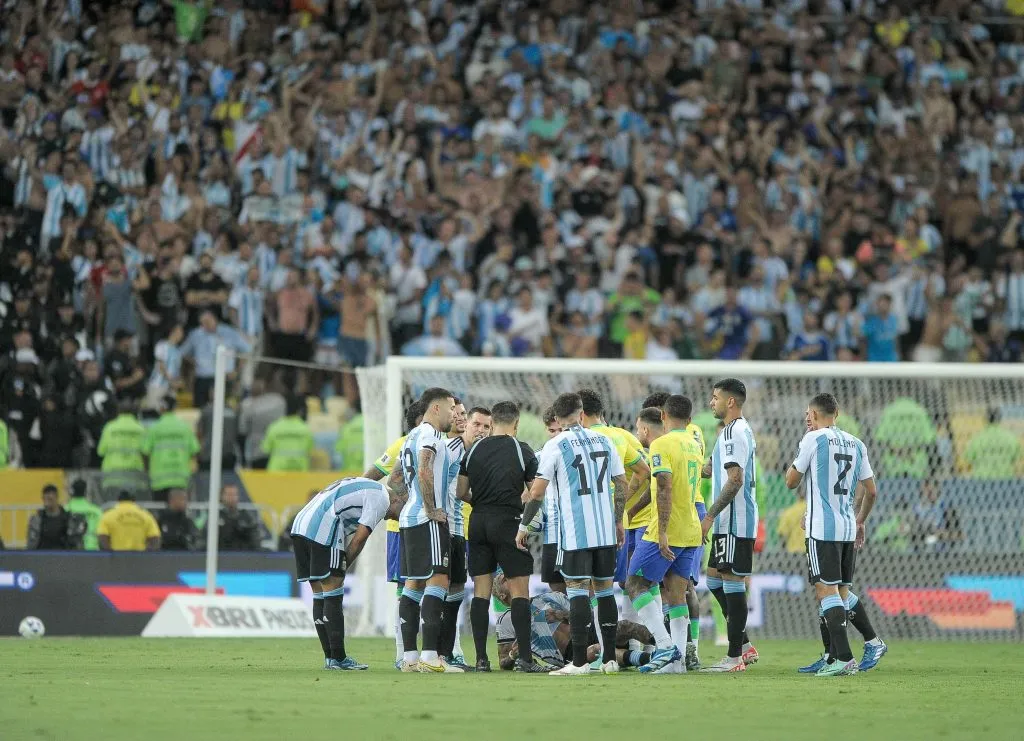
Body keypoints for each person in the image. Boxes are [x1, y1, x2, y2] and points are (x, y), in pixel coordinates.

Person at [516, 392, 627, 676]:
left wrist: (524, 525)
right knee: (604, 592)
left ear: (556, 418)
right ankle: (610, 660)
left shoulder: (556, 444)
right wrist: (617, 522)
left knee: (577, 590)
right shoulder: (605, 440)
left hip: (576, 533)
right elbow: (622, 483)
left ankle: (579, 662)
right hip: (604, 532)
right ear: (581, 414)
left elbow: (537, 492)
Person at [786, 392, 884, 676]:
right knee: (839, 592)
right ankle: (836, 655)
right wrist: (861, 520)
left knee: (826, 591)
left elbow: (791, 482)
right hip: (847, 527)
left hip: (822, 529)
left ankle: (843, 658)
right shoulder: (857, 443)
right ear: (836, 413)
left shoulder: (813, 439)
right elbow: (872, 490)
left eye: (808, 413)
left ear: (815, 415)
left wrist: (793, 467)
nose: (806, 418)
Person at [457, 400, 541, 673]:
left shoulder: (474, 449)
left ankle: (482, 660)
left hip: (478, 521)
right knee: (519, 592)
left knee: (481, 593)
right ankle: (526, 660)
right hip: (508, 522)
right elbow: (534, 493)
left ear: (491, 423)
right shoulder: (522, 449)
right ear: (516, 424)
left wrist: (481, 501)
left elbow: (460, 491)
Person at [290, 476, 403, 670]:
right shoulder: (381, 499)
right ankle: (340, 659)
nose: (397, 518)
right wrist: (342, 568)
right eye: (401, 512)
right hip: (323, 526)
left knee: (320, 592)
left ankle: (330, 658)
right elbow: (359, 539)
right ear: (397, 499)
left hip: (301, 524)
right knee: (333, 589)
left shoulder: (368, 487)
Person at [625, 397, 703, 673]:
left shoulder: (662, 444)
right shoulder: (694, 444)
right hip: (692, 529)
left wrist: (663, 533)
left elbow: (665, 487)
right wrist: (634, 508)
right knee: (675, 595)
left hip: (668, 528)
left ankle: (665, 644)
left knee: (634, 584)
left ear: (662, 414)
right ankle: (677, 664)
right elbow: (671, 486)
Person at [386, 387, 460, 673]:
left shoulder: (409, 439)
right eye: (452, 408)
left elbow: (394, 479)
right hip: (427, 520)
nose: (454, 413)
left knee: (413, 585)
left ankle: (410, 658)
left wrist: (410, 501)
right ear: (437, 408)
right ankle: (430, 657)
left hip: (408, 519)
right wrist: (429, 507)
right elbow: (425, 468)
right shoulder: (430, 434)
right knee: (439, 580)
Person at [576, 388, 650, 664]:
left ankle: (604, 654)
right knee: (629, 584)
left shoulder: (576, 439)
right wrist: (625, 505)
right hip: (624, 522)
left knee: (593, 587)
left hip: (590, 521)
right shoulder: (621, 435)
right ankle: (638, 649)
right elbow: (644, 472)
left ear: (580, 414)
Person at [701, 378, 759, 672]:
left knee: (733, 582)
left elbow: (735, 479)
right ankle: (745, 644)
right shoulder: (730, 432)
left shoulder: (734, 433)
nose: (711, 402)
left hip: (735, 520)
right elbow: (710, 470)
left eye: (715, 398)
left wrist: (709, 516)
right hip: (728, 522)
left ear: (730, 402)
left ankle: (735, 657)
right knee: (713, 580)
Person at [363, 400, 424, 668]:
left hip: (431, 526)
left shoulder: (442, 443)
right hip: (400, 529)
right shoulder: (401, 444)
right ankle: (402, 654)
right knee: (405, 589)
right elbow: (370, 477)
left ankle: (440, 652)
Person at [491, 574, 654, 671]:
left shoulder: (550, 597)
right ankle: (650, 659)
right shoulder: (506, 620)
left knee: (625, 626)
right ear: (502, 596)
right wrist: (513, 655)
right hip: (569, 654)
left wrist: (562, 614)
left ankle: (665, 645)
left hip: (588, 632)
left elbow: (587, 615)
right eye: (506, 578)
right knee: (597, 650)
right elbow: (503, 663)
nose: (513, 577)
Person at [142, 396, 199, 502]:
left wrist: (147, 470)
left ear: (161, 408)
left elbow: (145, 452)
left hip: (159, 481)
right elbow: (195, 451)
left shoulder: (154, 428)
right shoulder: (185, 427)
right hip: (180, 480)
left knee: (161, 514)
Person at [534, 406, 564, 594]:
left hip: (576, 534)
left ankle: (589, 624)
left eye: (560, 430)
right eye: (552, 431)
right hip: (551, 532)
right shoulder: (538, 457)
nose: (556, 435)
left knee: (584, 588)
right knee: (556, 588)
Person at [97, 399, 146, 498]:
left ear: (118, 411)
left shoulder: (110, 427)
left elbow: (100, 451)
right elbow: (145, 451)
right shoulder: (141, 428)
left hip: (112, 476)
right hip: (134, 476)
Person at [964, 408, 1022, 480]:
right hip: (1005, 478)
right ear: (1000, 419)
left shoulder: (976, 438)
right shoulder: (1011, 437)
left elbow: (968, 459)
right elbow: (1017, 457)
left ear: (985, 420)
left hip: (982, 479)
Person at [262, 396, 314, 471]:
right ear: (299, 411)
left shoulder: (274, 427)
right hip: (299, 471)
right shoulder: (306, 429)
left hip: (276, 471)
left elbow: (266, 449)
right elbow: (310, 450)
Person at [26, 484, 85, 550]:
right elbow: (31, 544)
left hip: (64, 557)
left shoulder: (68, 519)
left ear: (56, 497)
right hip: (42, 556)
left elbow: (76, 543)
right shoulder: (37, 520)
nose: (47, 503)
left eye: (50, 499)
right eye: (44, 499)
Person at [213, 484, 261, 551]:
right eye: (229, 494)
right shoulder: (215, 516)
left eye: (234, 494)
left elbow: (255, 539)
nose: (231, 497)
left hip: (242, 556)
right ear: (222, 496)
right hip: (221, 554)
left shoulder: (246, 516)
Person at [65, 479, 102, 550]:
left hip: (70, 550)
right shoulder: (96, 511)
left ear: (72, 492)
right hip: (91, 549)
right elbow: (102, 533)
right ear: (86, 492)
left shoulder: (65, 510)